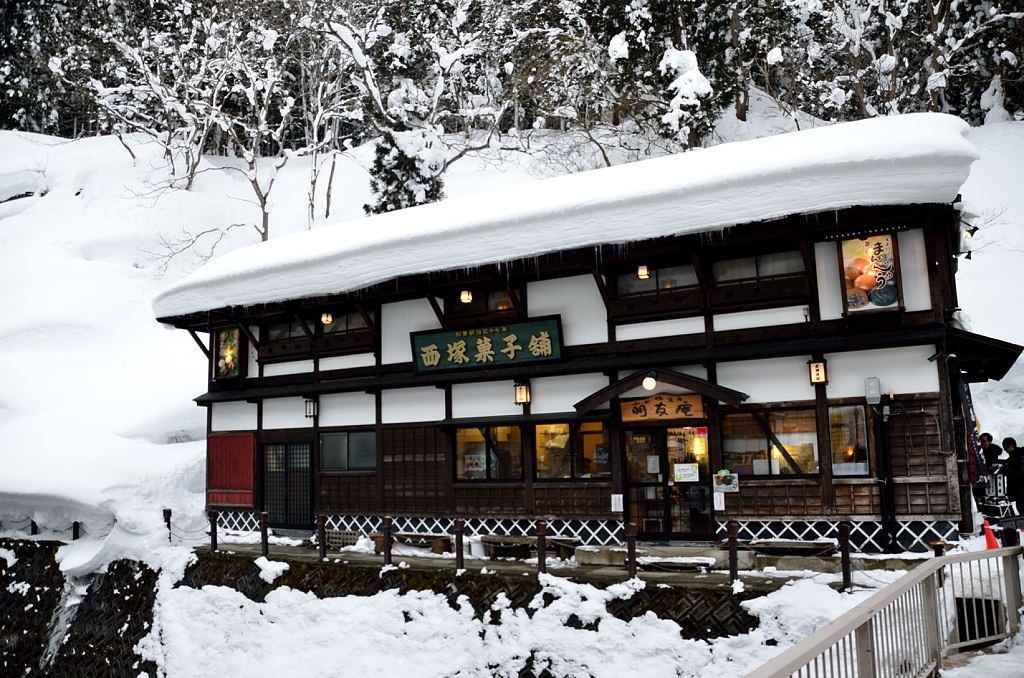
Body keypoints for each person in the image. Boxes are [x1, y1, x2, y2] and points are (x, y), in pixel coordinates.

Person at [1002, 437, 1024, 515]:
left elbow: (1020, 475)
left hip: (1020, 490)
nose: (1005, 451)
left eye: (1006, 448)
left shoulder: (1018, 457)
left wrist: (1008, 470)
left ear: (1011, 446)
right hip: (1019, 491)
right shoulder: (1014, 458)